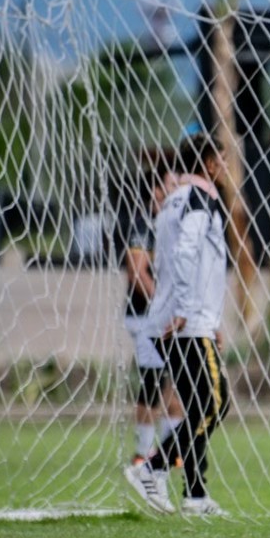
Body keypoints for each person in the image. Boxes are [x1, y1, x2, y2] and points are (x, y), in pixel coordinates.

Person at [124, 133, 231, 517]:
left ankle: (196, 496)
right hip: (187, 322)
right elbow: (186, 252)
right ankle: (151, 467)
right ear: (209, 162)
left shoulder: (172, 201)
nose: (226, 165)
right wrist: (190, 310)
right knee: (216, 403)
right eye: (222, 157)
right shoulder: (201, 198)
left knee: (196, 407)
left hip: (173, 320)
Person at [115, 154, 183, 467]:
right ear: (156, 189)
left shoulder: (172, 221)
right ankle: (142, 453)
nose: (177, 187)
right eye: (171, 183)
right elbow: (137, 272)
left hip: (167, 318)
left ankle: (172, 451)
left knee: (176, 384)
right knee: (152, 382)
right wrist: (164, 304)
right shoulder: (142, 221)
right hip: (144, 317)